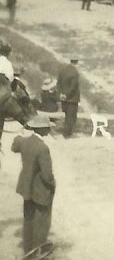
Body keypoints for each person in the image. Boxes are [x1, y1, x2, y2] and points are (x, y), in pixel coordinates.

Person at [11, 114, 57, 254]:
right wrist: (52, 184)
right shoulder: (42, 148)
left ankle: (28, 249)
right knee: (42, 221)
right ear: (43, 130)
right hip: (40, 190)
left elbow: (14, 147)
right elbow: (47, 174)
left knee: (28, 219)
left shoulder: (24, 142)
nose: (49, 129)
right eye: (47, 127)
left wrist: (20, 132)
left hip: (26, 188)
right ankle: (38, 250)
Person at [57, 57, 80, 138]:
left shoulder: (62, 70)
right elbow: (73, 87)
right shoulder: (75, 72)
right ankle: (67, 134)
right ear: (77, 62)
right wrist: (67, 95)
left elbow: (58, 83)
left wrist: (61, 94)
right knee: (72, 117)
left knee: (67, 116)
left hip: (63, 98)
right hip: (72, 99)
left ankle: (66, 133)